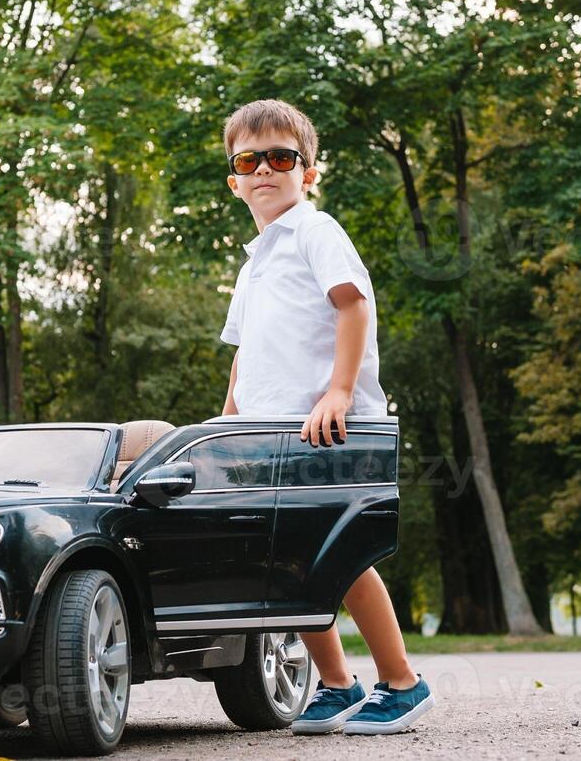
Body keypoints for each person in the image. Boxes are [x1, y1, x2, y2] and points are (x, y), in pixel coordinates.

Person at [217, 98, 435, 735]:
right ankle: (338, 684)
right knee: (289, 562)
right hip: (267, 431)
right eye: (250, 160)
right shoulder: (254, 261)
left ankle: (403, 680)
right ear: (235, 181)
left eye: (282, 157)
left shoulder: (317, 232)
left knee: (339, 556)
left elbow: (352, 306)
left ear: (307, 173)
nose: (265, 169)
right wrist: (226, 422)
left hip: (324, 425)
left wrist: (339, 391)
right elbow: (245, 354)